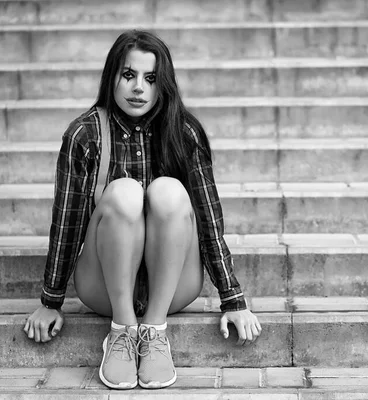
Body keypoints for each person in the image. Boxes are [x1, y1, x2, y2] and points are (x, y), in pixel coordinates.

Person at [23, 30, 262, 390]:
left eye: (150, 79)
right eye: (128, 75)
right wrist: (51, 300)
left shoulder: (184, 132)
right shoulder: (85, 135)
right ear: (112, 78)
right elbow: (67, 221)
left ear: (162, 84)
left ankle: (154, 332)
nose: (138, 88)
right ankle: (122, 332)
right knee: (125, 194)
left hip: (174, 288)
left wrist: (233, 299)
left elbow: (210, 221)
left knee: (168, 191)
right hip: (102, 287)